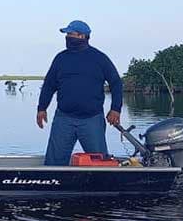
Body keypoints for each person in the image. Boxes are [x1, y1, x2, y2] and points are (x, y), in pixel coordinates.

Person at [36, 20, 123, 166]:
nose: (68, 37)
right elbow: (49, 85)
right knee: (54, 164)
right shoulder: (60, 58)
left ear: (82, 36)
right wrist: (41, 108)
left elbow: (116, 83)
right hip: (64, 119)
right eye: (67, 34)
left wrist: (115, 109)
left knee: (100, 163)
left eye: (71, 34)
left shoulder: (99, 58)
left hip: (92, 120)